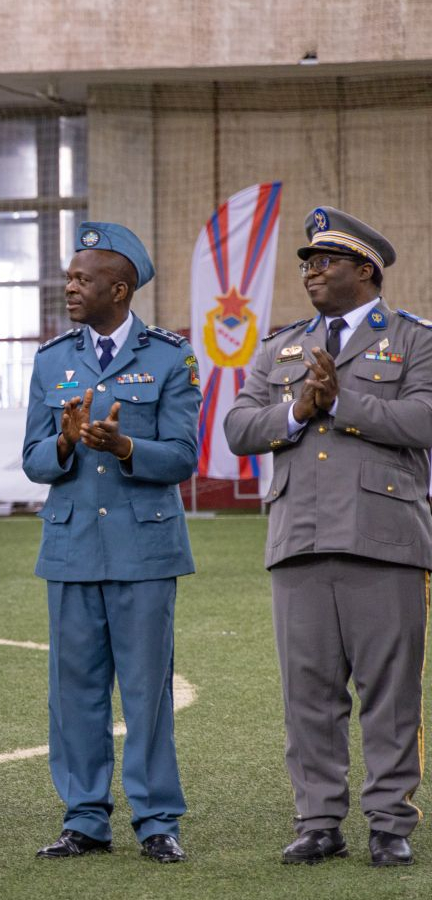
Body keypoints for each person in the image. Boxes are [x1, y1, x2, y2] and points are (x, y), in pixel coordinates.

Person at [224, 207, 431, 868]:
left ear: (365, 270)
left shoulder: (414, 338)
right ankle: (318, 820)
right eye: (308, 262)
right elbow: (238, 426)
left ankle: (390, 822)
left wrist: (342, 403)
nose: (312, 271)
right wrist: (297, 409)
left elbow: (424, 417)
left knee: (390, 692)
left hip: (385, 537)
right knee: (308, 694)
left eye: (326, 260)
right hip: (300, 539)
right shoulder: (282, 345)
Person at [21, 222, 198, 864]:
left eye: (82, 278)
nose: (68, 286)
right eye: (69, 276)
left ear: (118, 289)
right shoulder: (52, 361)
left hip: (144, 553)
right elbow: (34, 460)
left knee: (146, 690)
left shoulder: (169, 357)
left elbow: (182, 456)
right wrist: (66, 442)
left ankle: (155, 820)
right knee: (74, 694)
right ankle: (84, 820)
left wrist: (124, 446)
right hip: (71, 551)